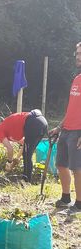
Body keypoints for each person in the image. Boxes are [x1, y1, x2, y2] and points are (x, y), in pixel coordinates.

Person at [49, 42, 81, 215]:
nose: (77, 56)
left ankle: (79, 203)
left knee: (77, 168)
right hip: (67, 129)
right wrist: (60, 127)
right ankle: (66, 198)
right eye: (77, 53)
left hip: (78, 131)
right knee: (61, 164)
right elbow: (72, 108)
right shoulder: (77, 79)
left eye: (80, 53)